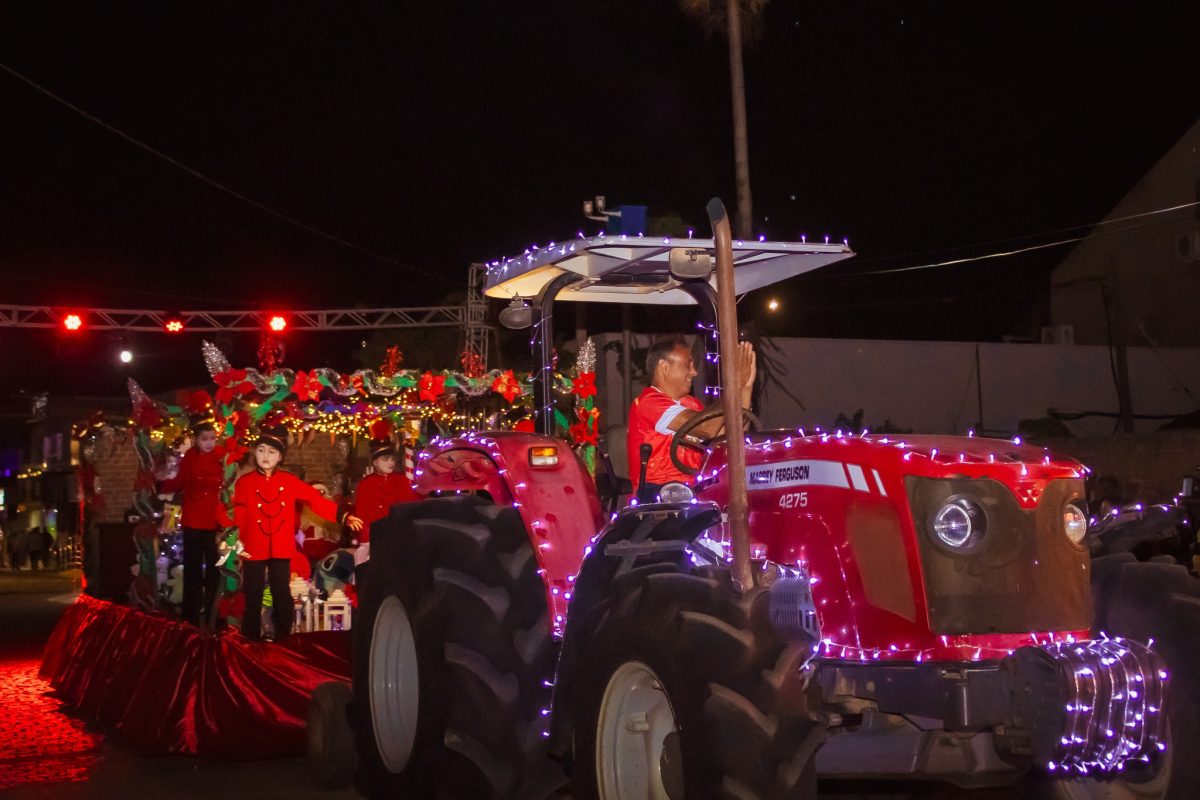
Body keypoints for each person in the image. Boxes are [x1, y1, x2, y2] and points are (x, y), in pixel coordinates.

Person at [232, 427, 362, 642]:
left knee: (282, 593)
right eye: (262, 450)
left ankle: (285, 640)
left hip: (281, 546)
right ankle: (250, 641)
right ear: (255, 453)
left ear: (280, 457)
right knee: (253, 596)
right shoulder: (244, 483)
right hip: (253, 547)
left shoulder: (289, 481)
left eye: (272, 452)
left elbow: (315, 500)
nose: (265, 456)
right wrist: (234, 541)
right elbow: (237, 516)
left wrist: (343, 516)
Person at [627, 337, 756, 502]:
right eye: (688, 364)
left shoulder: (691, 404)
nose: (694, 372)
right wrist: (734, 385)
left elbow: (732, 436)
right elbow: (706, 429)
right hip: (658, 500)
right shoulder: (648, 402)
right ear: (664, 367)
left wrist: (745, 388)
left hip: (692, 493)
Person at [159, 421, 228, 627]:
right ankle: (190, 616)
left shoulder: (221, 456)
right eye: (204, 439)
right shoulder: (190, 457)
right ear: (196, 440)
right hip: (192, 521)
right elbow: (181, 480)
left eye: (212, 439)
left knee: (216, 571)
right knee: (192, 571)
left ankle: (215, 615)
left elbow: (230, 482)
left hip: (214, 523)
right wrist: (161, 484)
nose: (209, 443)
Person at [352, 428, 419, 586]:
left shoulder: (401, 481)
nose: (390, 463)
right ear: (375, 462)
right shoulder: (366, 484)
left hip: (397, 537)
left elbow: (409, 507)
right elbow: (362, 513)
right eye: (385, 459)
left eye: (392, 459)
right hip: (374, 540)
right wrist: (367, 538)